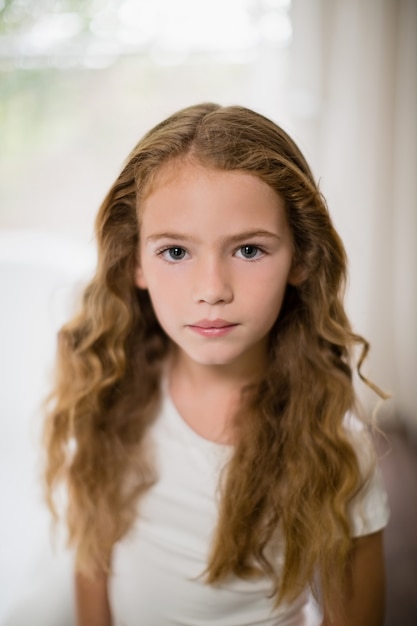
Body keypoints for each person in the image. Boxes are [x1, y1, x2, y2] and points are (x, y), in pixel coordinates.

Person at [43, 103, 390, 626]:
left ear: (300, 257)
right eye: (176, 252)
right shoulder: (111, 394)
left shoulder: (333, 444)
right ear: (135, 260)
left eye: (249, 250)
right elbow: (93, 563)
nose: (211, 291)